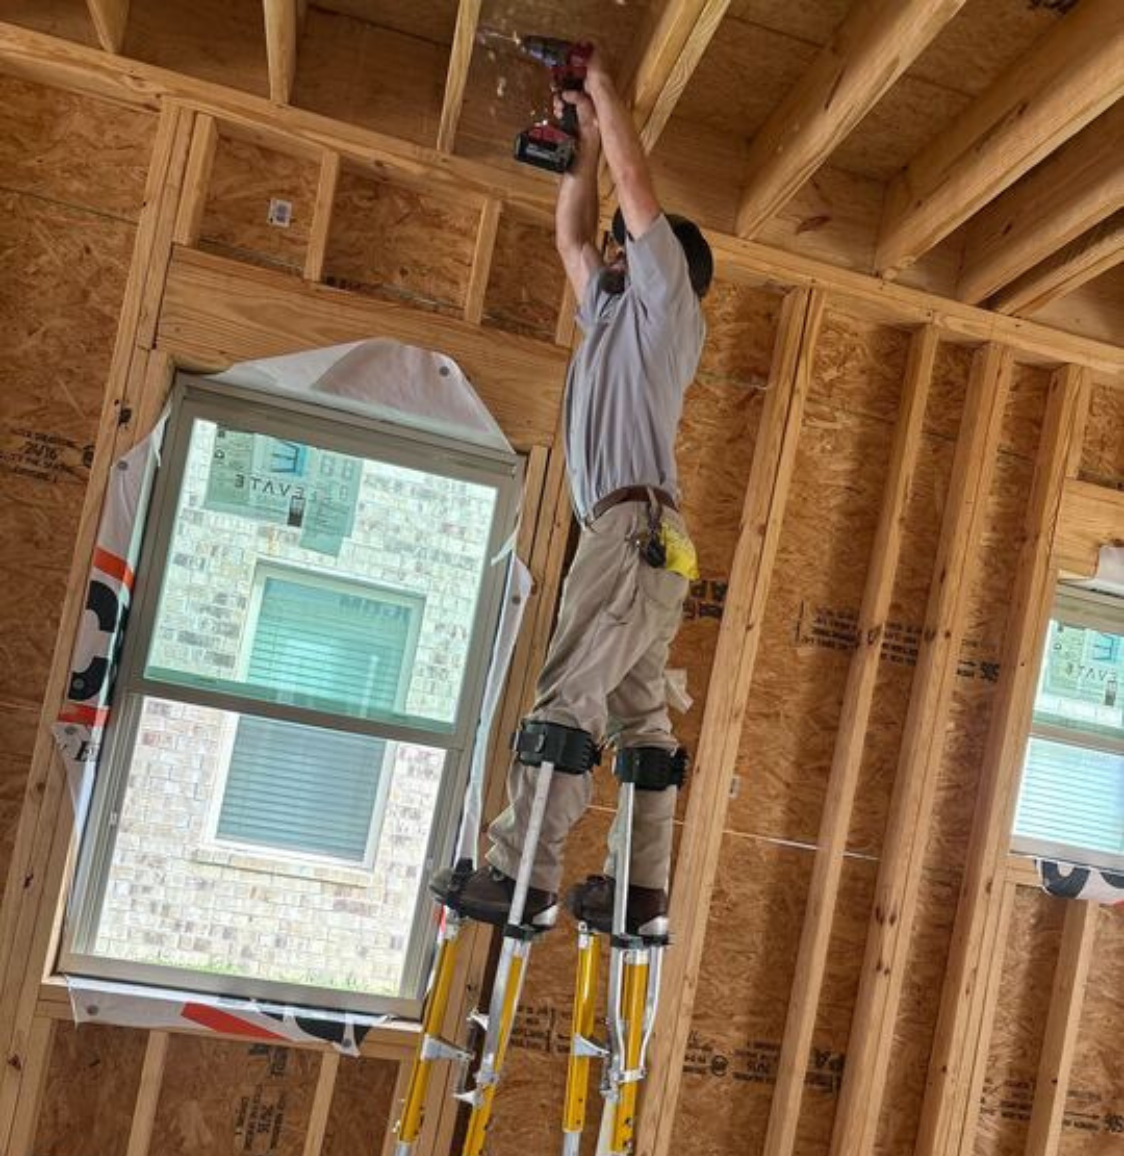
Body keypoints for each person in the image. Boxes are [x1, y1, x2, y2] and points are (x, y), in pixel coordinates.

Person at [432, 45, 712, 936]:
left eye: (629, 244)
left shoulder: (670, 303)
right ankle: (639, 888)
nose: (614, 250)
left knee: (567, 702)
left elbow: (635, 190)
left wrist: (605, 89)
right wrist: (580, 141)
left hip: (630, 535)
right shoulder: (611, 313)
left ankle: (522, 875)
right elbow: (570, 233)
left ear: (657, 257)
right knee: (640, 728)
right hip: (639, 542)